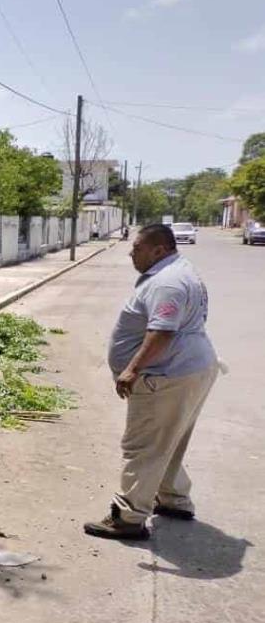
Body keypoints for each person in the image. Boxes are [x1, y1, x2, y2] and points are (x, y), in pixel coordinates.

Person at [84, 223, 218, 540]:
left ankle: (129, 516)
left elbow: (162, 332)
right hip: (189, 370)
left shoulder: (168, 283)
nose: (131, 252)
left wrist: (131, 369)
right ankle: (174, 499)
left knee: (143, 446)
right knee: (168, 441)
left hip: (166, 376)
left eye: (138, 248)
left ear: (159, 250)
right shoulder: (180, 270)